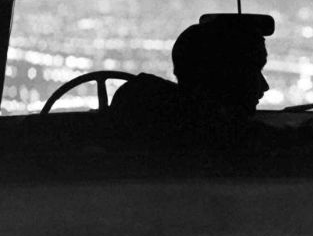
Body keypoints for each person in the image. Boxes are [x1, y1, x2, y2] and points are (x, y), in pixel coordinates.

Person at [110, 17, 270, 150]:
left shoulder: (140, 108)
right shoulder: (235, 145)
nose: (264, 87)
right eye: (254, 71)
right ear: (226, 77)